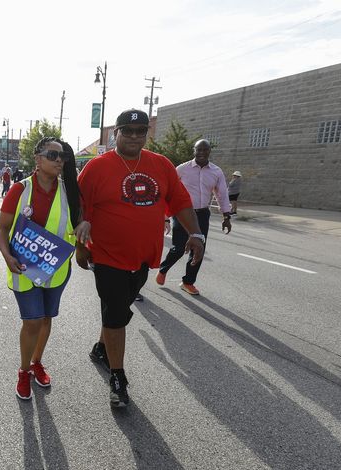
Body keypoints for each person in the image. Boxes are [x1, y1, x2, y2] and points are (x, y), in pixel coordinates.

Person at [76, 109, 204, 408]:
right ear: (115, 133)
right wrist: (80, 246)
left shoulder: (161, 165)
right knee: (116, 312)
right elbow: (79, 208)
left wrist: (196, 234)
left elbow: (180, 201)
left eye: (140, 130)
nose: (134, 136)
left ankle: (100, 347)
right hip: (106, 255)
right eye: (127, 130)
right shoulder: (96, 168)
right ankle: (118, 379)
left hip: (144, 256)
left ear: (147, 133)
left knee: (118, 307)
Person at [0, 137, 82, 400]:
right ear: (38, 158)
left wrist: (84, 224)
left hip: (56, 270)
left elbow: (80, 221)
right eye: (53, 155)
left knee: (46, 319)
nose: (59, 161)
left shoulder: (71, 192)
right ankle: (24, 371)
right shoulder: (20, 190)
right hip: (23, 269)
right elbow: (1, 229)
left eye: (63, 157)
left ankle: (37, 361)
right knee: (32, 321)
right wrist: (7, 256)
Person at [156, 140, 232, 295]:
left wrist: (226, 216)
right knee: (178, 248)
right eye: (199, 150)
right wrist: (165, 216)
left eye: (205, 150)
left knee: (198, 249)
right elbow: (168, 192)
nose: (202, 152)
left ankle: (188, 282)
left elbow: (222, 194)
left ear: (210, 151)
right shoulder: (182, 169)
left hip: (202, 214)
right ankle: (163, 269)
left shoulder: (216, 172)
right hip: (182, 213)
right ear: (194, 151)